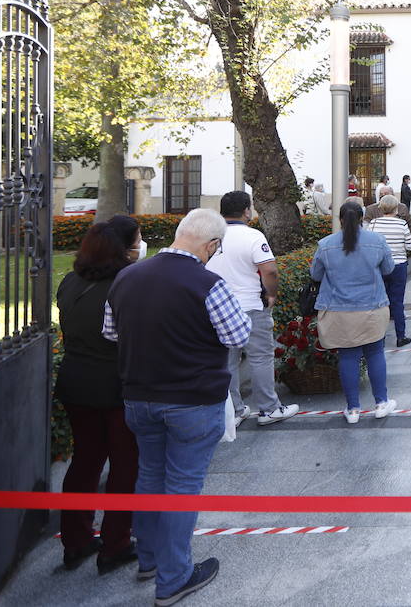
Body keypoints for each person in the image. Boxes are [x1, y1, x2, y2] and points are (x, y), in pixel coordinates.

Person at [103, 208, 251, 604]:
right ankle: (173, 578)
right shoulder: (208, 283)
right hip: (192, 400)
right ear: (212, 245)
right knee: (183, 485)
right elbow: (238, 334)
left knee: (150, 476)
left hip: (138, 397)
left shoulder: (127, 277)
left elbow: (111, 332)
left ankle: (148, 559)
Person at [55, 216, 143, 573]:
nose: (141, 246)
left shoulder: (69, 281)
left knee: (85, 461)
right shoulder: (126, 283)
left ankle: (75, 540)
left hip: (76, 382)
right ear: (123, 249)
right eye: (137, 241)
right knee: (125, 466)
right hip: (117, 385)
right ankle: (115, 544)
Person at [207, 191, 298, 428]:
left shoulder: (210, 237)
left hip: (218, 309)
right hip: (250, 307)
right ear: (247, 210)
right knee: (260, 358)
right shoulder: (253, 236)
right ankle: (268, 409)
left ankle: (235, 411)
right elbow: (269, 271)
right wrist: (271, 293)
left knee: (227, 362)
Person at [310, 201, 397, 423]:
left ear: (339, 219)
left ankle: (353, 409)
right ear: (361, 219)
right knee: (375, 352)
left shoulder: (326, 244)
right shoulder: (377, 241)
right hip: (372, 307)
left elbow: (316, 275)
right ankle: (381, 403)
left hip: (338, 310)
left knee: (348, 356)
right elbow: (388, 269)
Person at [366, 194, 411, 348]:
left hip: (379, 265)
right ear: (396, 208)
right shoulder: (401, 224)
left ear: (380, 208)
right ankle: (401, 336)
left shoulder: (373, 224)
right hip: (398, 265)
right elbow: (410, 246)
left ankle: (379, 337)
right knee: (397, 301)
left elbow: (368, 243)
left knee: (380, 301)